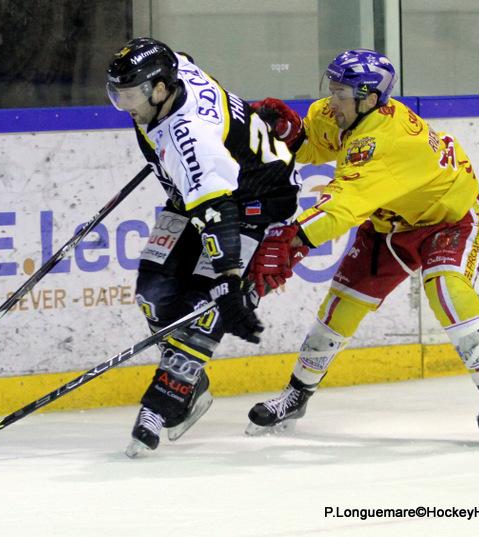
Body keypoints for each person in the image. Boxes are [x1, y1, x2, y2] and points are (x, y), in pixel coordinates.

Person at [245, 49, 479, 445]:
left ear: (370, 98)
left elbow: (341, 207)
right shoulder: (347, 112)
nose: (331, 101)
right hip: (388, 223)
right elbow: (316, 145)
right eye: (332, 89)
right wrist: (293, 134)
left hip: (449, 219)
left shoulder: (385, 142)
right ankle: (296, 395)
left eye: (340, 94)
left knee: (446, 289)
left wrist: (292, 240)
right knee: (340, 307)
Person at [105, 37, 300, 457]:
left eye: (131, 95)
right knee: (152, 296)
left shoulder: (191, 138)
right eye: (117, 95)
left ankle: (165, 402)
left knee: (204, 306)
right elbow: (186, 60)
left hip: (253, 203)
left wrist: (228, 279)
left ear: (160, 89)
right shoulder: (170, 73)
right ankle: (191, 381)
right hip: (195, 193)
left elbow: (218, 211)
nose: (125, 105)